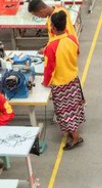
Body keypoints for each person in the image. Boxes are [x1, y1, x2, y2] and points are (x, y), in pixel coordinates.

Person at [43, 10, 85, 150]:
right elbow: (76, 53)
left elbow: (49, 68)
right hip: (72, 78)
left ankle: (75, 137)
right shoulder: (72, 39)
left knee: (65, 111)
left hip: (60, 84)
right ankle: (72, 130)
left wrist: (46, 82)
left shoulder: (51, 46)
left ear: (53, 27)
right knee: (74, 107)